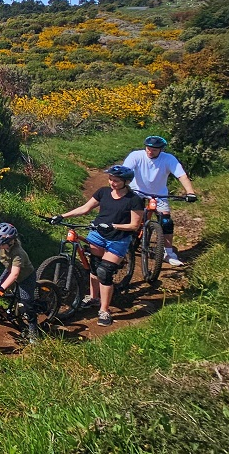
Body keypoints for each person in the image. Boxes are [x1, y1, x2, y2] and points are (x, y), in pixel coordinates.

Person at [50, 165, 144, 327]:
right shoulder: (103, 192)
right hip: (98, 235)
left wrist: (114, 226)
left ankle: (105, 310)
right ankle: (94, 298)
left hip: (118, 239)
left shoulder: (134, 200)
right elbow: (85, 209)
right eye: (111, 179)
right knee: (94, 267)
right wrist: (61, 216)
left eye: (116, 180)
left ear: (126, 182)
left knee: (104, 272)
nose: (112, 183)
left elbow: (134, 225)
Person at [123, 135, 199, 266]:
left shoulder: (168, 159)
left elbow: (182, 176)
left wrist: (190, 192)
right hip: (137, 191)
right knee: (128, 216)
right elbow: (125, 171)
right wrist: (123, 185)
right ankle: (121, 242)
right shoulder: (136, 156)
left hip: (160, 194)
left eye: (154, 150)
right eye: (148, 148)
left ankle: (168, 253)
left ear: (161, 150)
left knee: (166, 222)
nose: (150, 152)